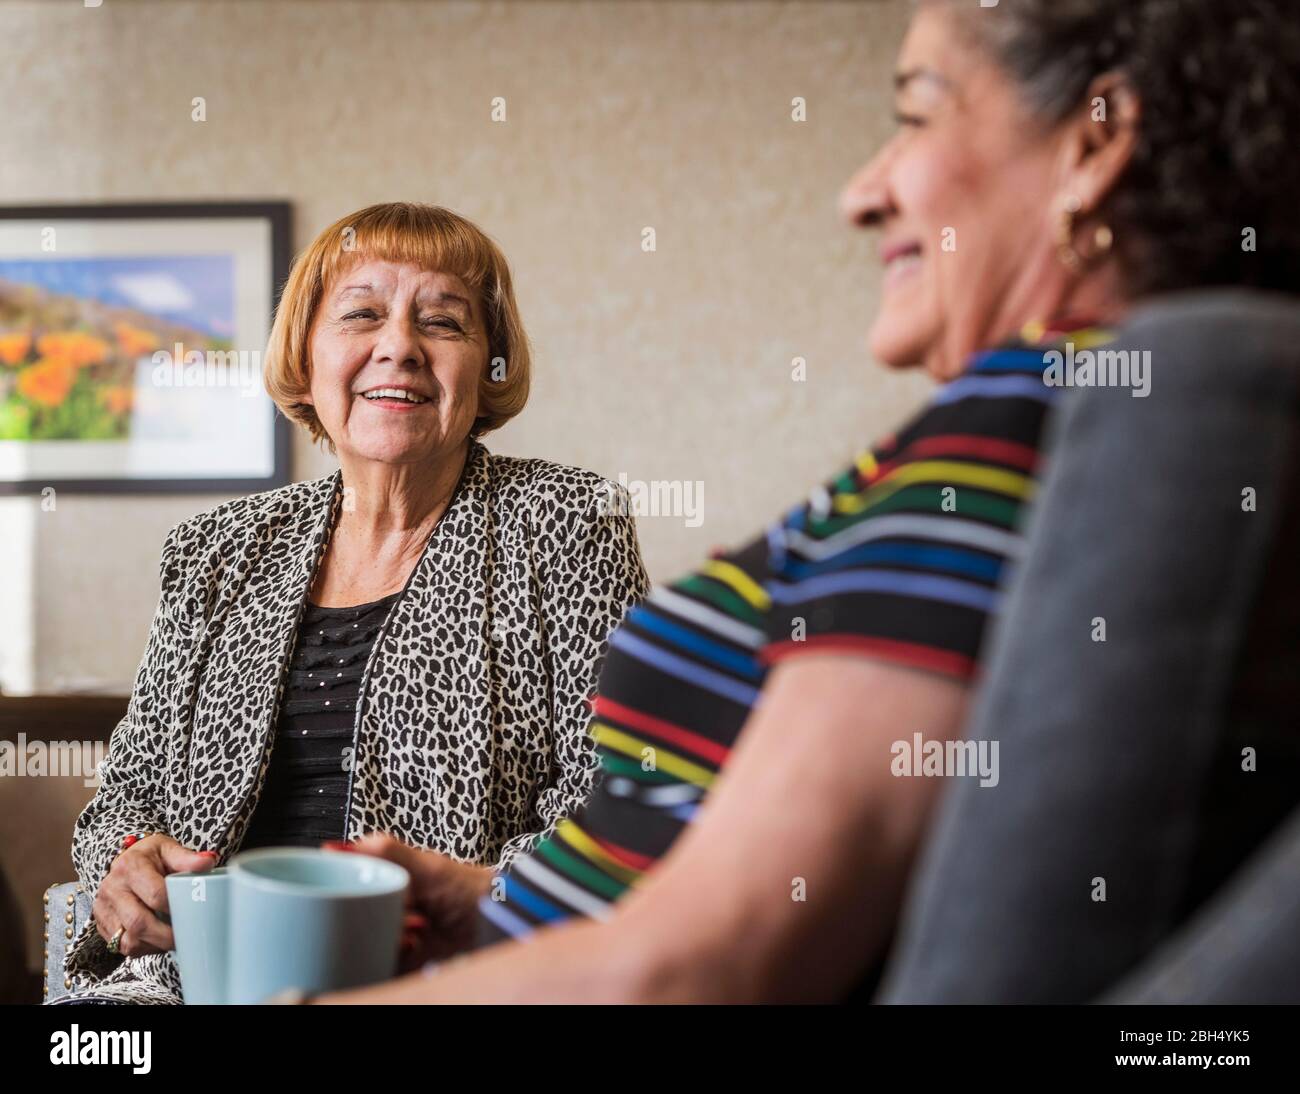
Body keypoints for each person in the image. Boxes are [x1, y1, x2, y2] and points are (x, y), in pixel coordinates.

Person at [309, 0, 1299, 1003]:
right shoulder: (1085, 409)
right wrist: (490, 896)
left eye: (914, 117)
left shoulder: (1024, 408)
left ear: (1093, 144)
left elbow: (702, 962)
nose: (860, 193)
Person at [58, 203, 648, 1004]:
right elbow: (125, 794)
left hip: (449, 980)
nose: (399, 345)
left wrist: (486, 903)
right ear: (305, 357)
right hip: (189, 980)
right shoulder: (216, 550)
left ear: (488, 370)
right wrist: (122, 865)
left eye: (443, 322)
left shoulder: (569, 522)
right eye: (362, 314)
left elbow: (614, 795)